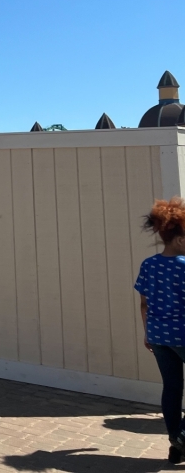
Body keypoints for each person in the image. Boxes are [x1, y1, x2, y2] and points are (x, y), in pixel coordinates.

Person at [135, 197, 185, 464]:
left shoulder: (149, 264)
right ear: (178, 239)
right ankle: (183, 437)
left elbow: (144, 303)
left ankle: (174, 445)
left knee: (172, 387)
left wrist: (147, 333)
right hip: (183, 333)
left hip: (158, 334)